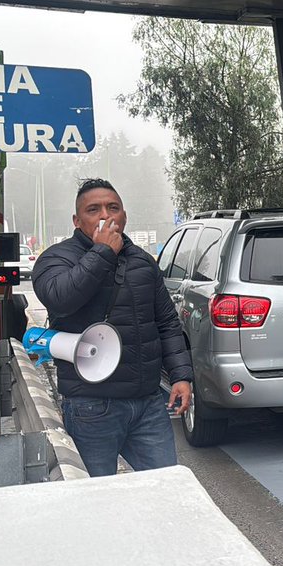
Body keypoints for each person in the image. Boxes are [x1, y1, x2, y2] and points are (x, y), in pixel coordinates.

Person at [34, 179, 193, 477]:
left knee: (165, 487)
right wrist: (103, 252)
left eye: (113, 208)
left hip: (147, 403)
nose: (105, 216)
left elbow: (167, 323)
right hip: (91, 407)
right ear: (77, 221)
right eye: (94, 210)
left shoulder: (143, 262)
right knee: (98, 498)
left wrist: (181, 376)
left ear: (124, 216)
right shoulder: (56, 258)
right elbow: (61, 298)